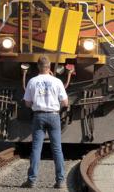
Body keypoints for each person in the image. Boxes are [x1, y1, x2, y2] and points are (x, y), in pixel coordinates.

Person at [23, 55, 68, 189]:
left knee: (36, 149)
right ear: (49, 67)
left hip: (38, 116)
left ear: (38, 67)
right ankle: (60, 181)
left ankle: (31, 180)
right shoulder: (57, 82)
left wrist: (35, 104)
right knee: (57, 149)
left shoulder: (32, 81)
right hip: (54, 116)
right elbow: (65, 102)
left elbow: (27, 103)